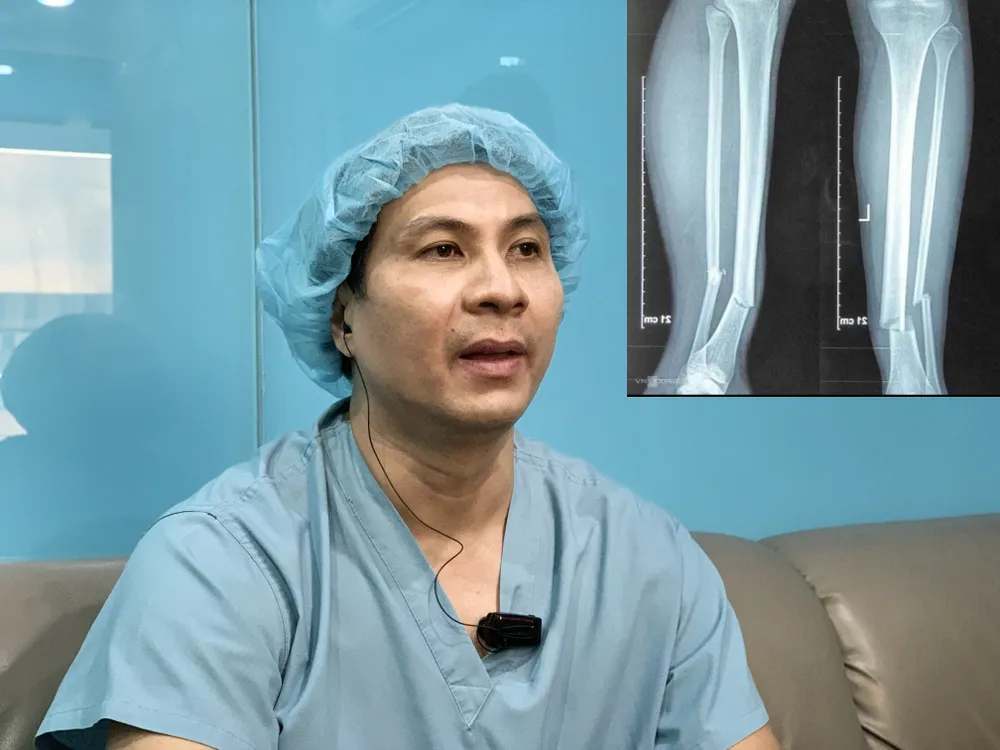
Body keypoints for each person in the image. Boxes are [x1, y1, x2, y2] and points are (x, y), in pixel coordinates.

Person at [34, 103, 779, 749]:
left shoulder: (646, 557)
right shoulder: (222, 564)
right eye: (443, 249)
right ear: (341, 316)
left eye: (527, 248)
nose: (501, 289)